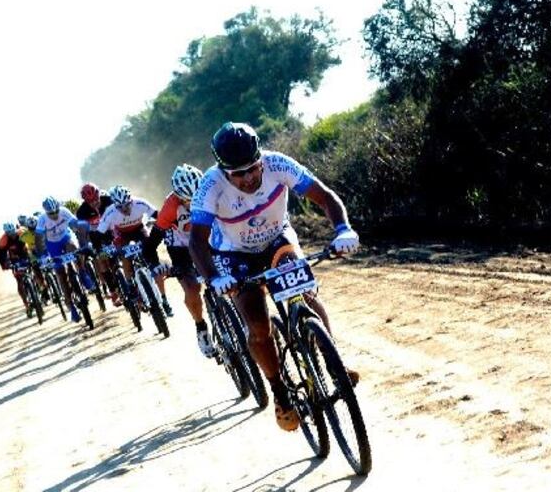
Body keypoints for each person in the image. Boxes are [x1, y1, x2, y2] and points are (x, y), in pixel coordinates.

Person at [189, 122, 361, 432]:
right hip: (233, 254)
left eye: (253, 168)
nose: (248, 178)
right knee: (258, 325)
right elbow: (197, 241)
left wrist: (342, 229)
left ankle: (334, 364)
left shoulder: (277, 163)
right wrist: (214, 278)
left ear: (260, 159)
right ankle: (280, 393)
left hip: (277, 239)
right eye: (238, 174)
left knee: (306, 295)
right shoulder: (210, 185)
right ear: (223, 170)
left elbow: (324, 197)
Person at [144, 164, 215, 357]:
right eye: (187, 200)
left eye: (196, 197)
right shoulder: (170, 207)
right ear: (178, 196)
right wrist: (155, 265)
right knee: (192, 288)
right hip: (180, 248)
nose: (192, 204)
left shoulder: (213, 191)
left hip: (208, 240)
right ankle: (201, 327)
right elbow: (150, 245)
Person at [97, 185, 173, 315]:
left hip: (139, 229)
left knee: (154, 264)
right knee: (124, 254)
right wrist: (101, 249)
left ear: (131, 201)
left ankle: (164, 299)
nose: (125, 209)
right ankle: (130, 284)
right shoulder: (110, 212)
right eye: (120, 207)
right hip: (121, 235)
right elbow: (99, 233)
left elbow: (159, 216)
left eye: (127, 205)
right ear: (115, 205)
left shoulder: (140, 203)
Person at [34, 196, 93, 323]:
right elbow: (39, 239)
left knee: (75, 248)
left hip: (66, 238)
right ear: (46, 212)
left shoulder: (64, 211)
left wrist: (84, 239)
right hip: (52, 245)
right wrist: (43, 256)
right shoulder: (42, 219)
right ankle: (71, 307)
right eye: (51, 213)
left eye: (56, 212)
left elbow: (75, 224)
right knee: (61, 275)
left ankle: (82, 271)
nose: (55, 215)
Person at [76, 183, 121, 305]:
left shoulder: (108, 200)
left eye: (96, 199)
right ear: (85, 201)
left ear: (99, 194)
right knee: (102, 260)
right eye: (90, 201)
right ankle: (113, 291)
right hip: (96, 237)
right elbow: (82, 233)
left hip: (111, 231)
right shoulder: (81, 212)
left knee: (119, 256)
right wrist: (84, 246)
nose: (94, 203)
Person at [0, 221, 34, 315]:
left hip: (26, 254)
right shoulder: (3, 240)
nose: (12, 235)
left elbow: (32, 242)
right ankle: (26, 305)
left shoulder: (22, 232)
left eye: (13, 232)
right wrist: (4, 265)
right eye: (9, 233)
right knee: (19, 280)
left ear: (15, 229)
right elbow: (2, 255)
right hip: (14, 260)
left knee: (35, 267)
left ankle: (41, 287)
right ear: (6, 233)